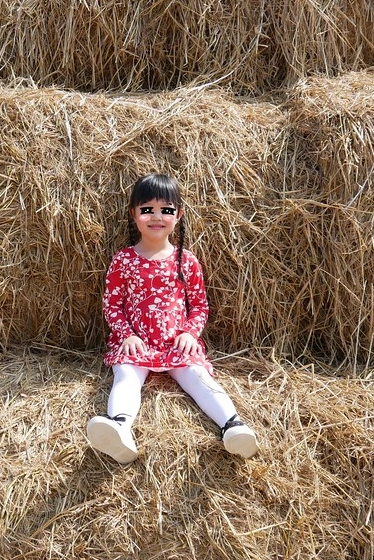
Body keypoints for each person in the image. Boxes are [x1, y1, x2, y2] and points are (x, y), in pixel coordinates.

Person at [86, 173, 259, 464]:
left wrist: (190, 333)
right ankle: (120, 426)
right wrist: (126, 334)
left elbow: (200, 306)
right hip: (136, 343)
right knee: (127, 375)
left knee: (198, 377)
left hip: (175, 343)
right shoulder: (124, 259)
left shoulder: (185, 259)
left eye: (166, 210)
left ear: (177, 215)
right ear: (134, 214)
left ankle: (233, 425)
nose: (157, 217)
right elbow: (112, 304)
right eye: (147, 210)